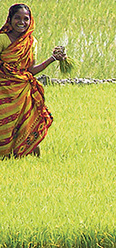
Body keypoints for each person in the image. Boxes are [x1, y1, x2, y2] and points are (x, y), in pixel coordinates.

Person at [0, 4, 65, 158]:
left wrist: (52, 59)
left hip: (23, 90)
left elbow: (30, 70)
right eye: (17, 18)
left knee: (26, 122)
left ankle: (31, 157)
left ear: (31, 21)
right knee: (4, 123)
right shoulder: (2, 39)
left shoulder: (31, 42)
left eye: (26, 19)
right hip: (3, 90)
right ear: (10, 19)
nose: (21, 22)